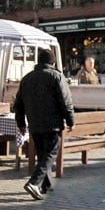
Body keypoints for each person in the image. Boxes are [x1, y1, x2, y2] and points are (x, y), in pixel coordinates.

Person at [13, 48, 74, 200]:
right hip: (52, 123)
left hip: (34, 123)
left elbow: (18, 104)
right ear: (53, 62)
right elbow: (65, 101)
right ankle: (34, 182)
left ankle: (45, 184)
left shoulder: (27, 78)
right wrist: (70, 120)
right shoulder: (56, 76)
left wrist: (21, 123)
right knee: (51, 153)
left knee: (42, 154)